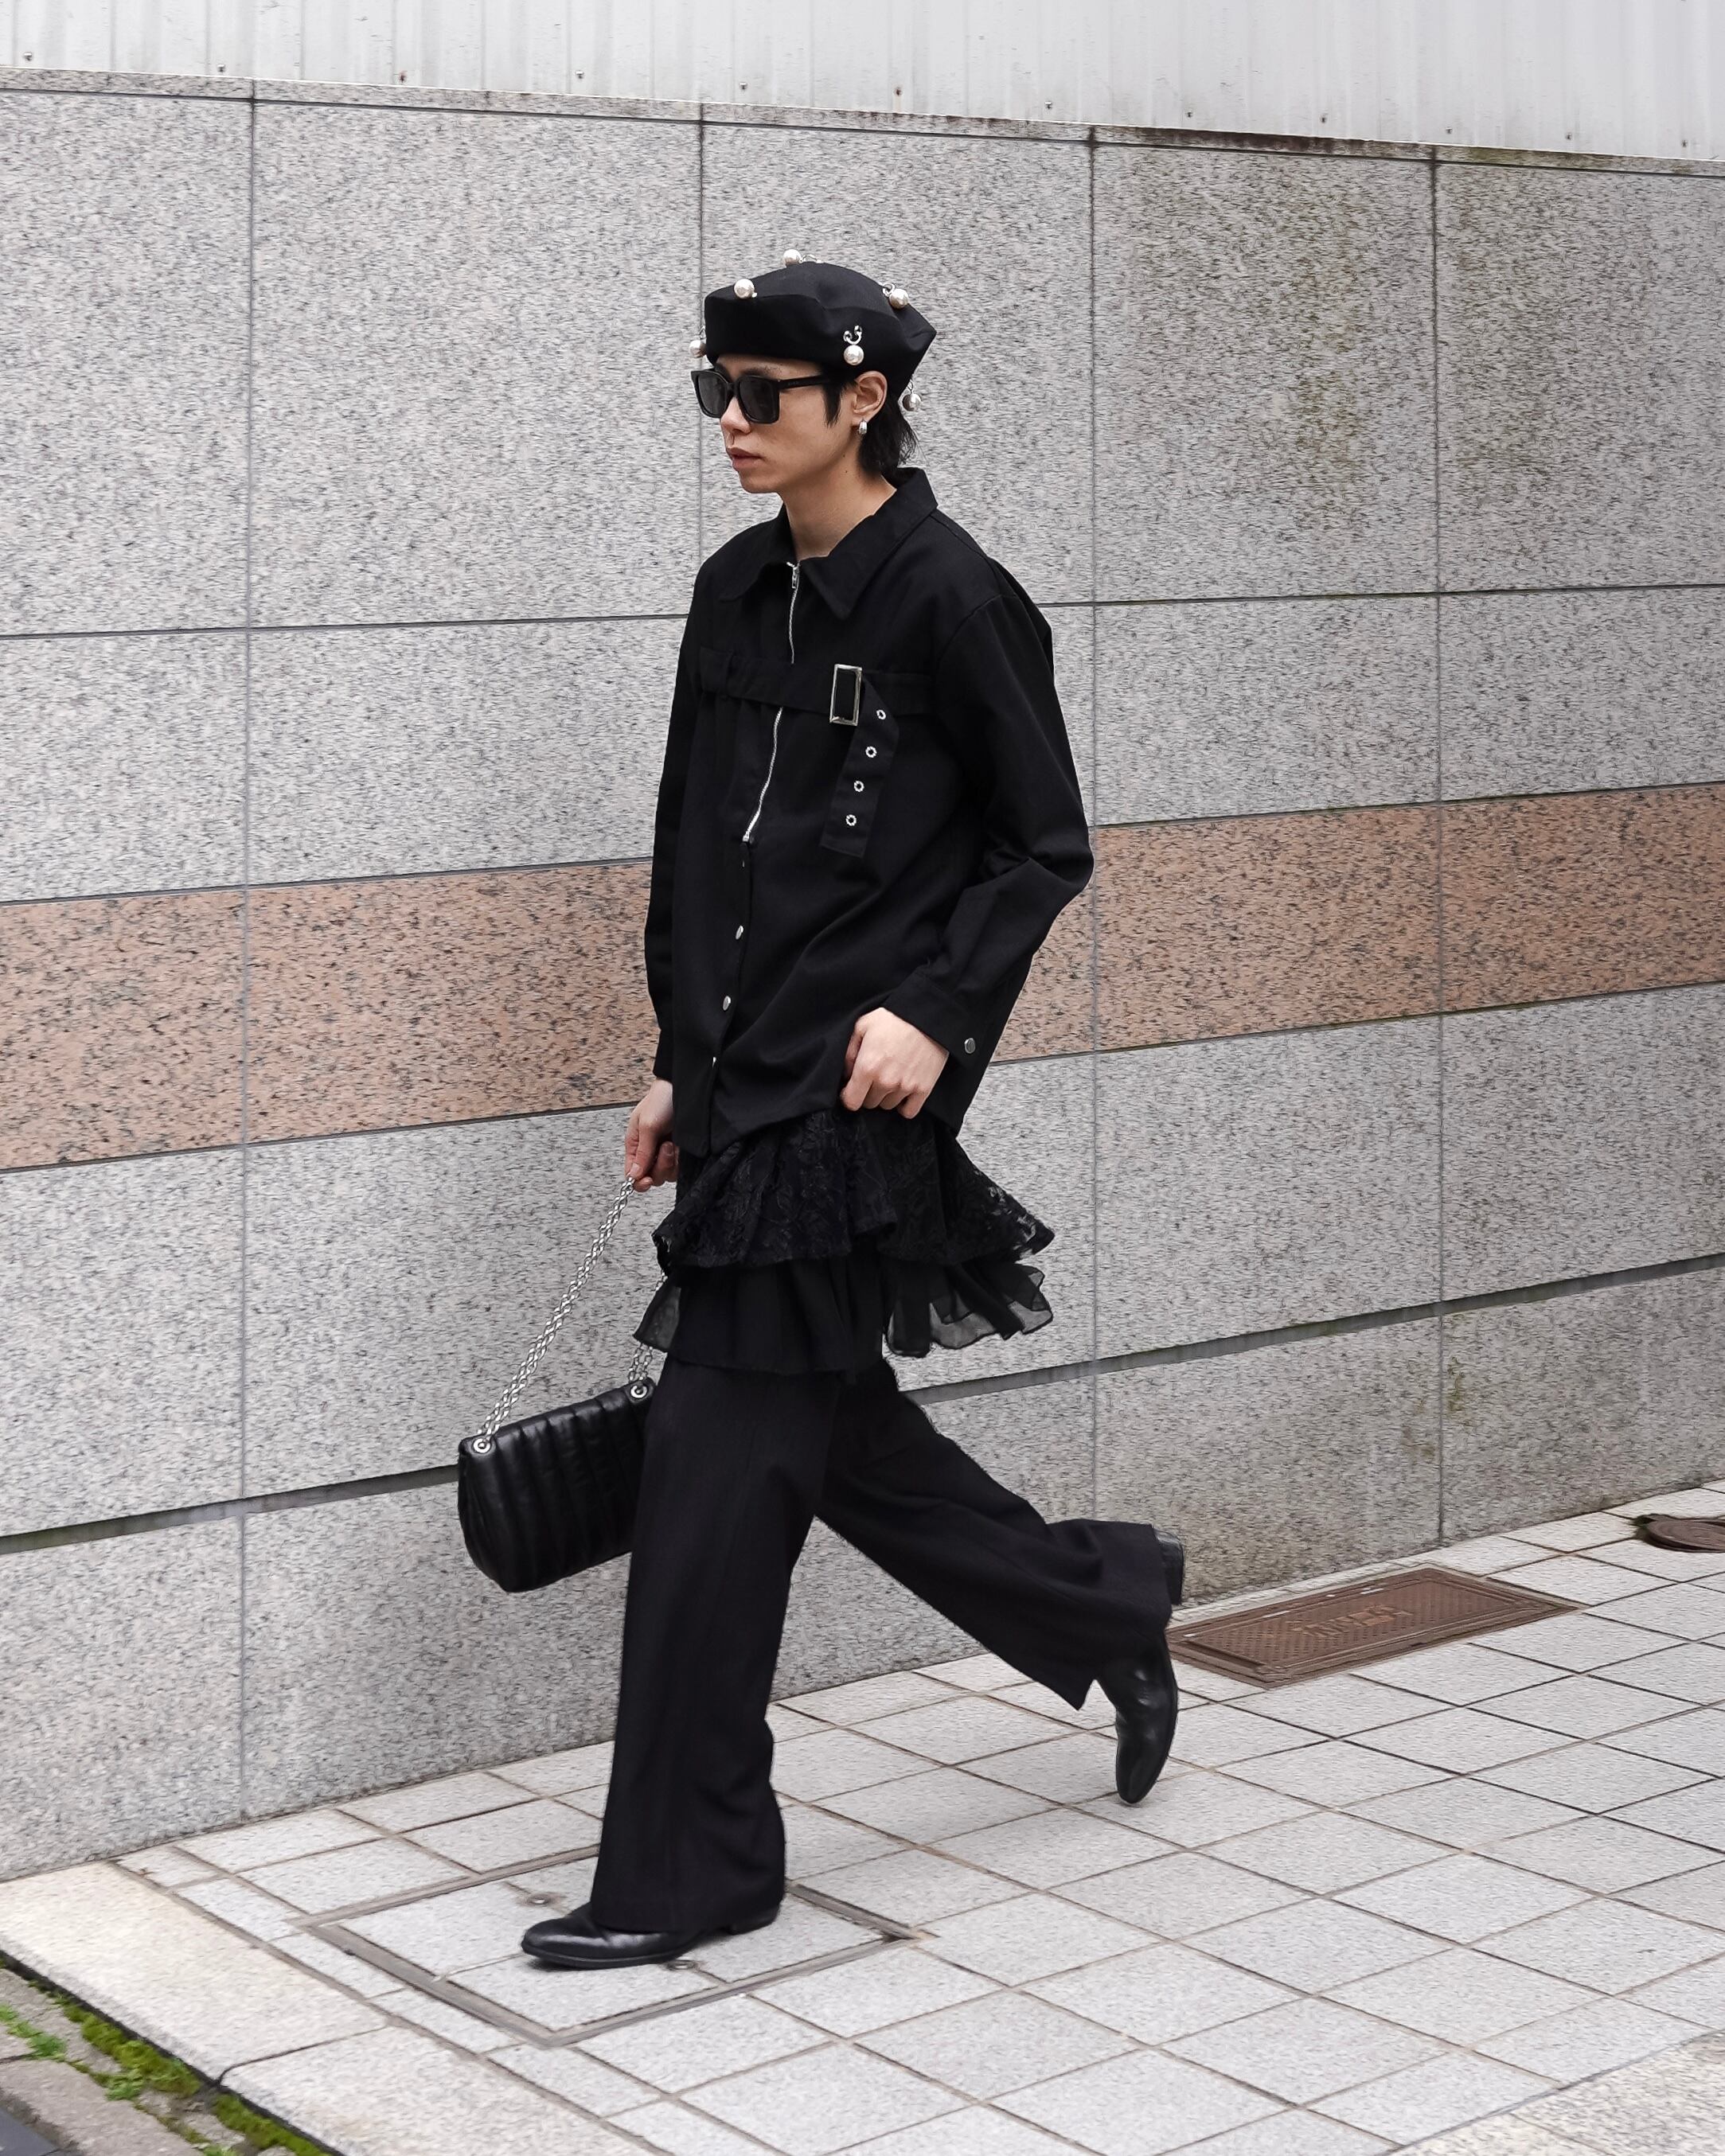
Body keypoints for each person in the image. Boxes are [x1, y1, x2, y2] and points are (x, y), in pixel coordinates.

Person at [522, 256, 1184, 1972]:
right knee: (835, 1442)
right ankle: (1107, 1602)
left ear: (864, 401)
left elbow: (1043, 844)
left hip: (853, 1095)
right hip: (741, 1081)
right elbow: (691, 840)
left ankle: (692, 1864)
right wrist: (676, 1056)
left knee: (707, 1483)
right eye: (715, 392)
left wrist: (937, 1012)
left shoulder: (957, 598)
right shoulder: (734, 590)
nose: (732, 423)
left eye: (764, 396)